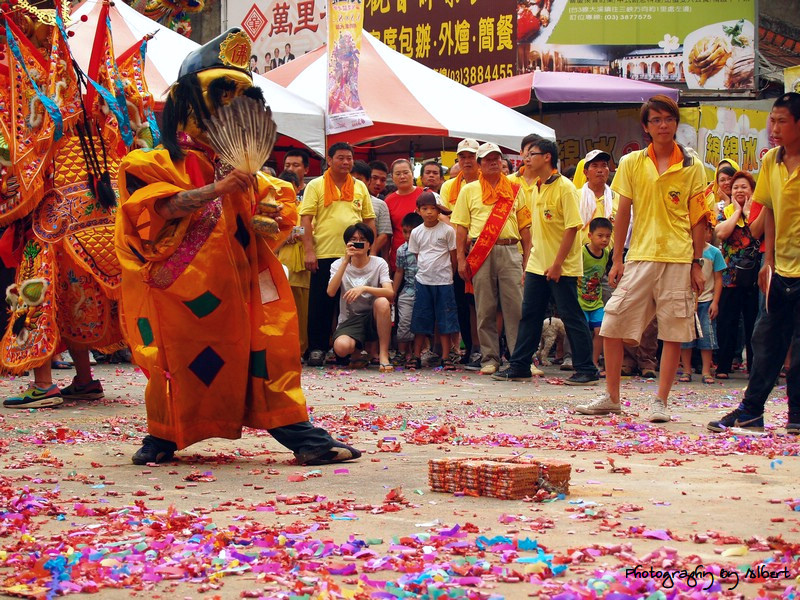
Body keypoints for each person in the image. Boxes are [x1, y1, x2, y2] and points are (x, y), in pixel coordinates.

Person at [112, 28, 360, 465]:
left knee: (267, 351)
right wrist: (217, 189)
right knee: (177, 362)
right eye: (222, 89)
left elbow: (271, 228)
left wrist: (267, 213)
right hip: (180, 296)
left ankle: (299, 434)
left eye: (241, 92)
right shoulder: (151, 162)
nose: (231, 101)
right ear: (187, 100)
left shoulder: (254, 176)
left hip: (243, 289)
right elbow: (155, 210)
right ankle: (163, 437)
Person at [576, 95, 711, 422]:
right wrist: (618, 258)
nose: (663, 125)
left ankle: (660, 402)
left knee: (674, 330)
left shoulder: (692, 165)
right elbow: (622, 212)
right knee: (612, 322)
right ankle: (611, 396)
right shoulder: (633, 162)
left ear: (676, 123)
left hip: (678, 257)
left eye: (668, 119)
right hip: (640, 255)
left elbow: (699, 218)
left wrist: (696, 261)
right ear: (646, 126)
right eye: (656, 120)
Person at [708, 93, 800, 435]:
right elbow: (770, 212)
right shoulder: (772, 161)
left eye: (781, 121)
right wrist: (769, 258)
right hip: (779, 269)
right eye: (771, 120)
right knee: (765, 341)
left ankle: (796, 416)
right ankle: (751, 412)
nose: (773, 128)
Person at [492, 137, 598, 386]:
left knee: (571, 316)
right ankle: (520, 365)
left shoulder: (565, 187)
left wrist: (559, 263)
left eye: (532, 154)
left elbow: (573, 228)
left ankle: (586, 368)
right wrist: (529, 265)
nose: (526, 159)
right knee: (529, 314)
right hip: (537, 264)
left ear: (547, 157)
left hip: (562, 266)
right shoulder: (537, 187)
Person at [451, 142, 532, 375]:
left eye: (497, 158)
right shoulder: (469, 190)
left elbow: (526, 228)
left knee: (515, 307)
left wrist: (527, 259)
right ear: (479, 164)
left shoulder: (516, 188)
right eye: (487, 159)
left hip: (510, 250)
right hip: (481, 251)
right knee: (485, 307)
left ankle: (519, 359)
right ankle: (489, 358)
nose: (493, 162)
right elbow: (461, 228)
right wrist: (461, 258)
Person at [299, 142, 376, 367]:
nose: (346, 162)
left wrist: (372, 251)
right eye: (341, 158)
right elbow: (305, 220)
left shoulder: (360, 187)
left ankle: (349, 350)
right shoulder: (316, 185)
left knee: (352, 303)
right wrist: (309, 251)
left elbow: (368, 219)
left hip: (355, 255)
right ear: (329, 160)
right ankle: (317, 348)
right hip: (324, 252)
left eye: (349, 158)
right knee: (320, 303)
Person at [713, 170, 764, 379]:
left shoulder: (758, 212)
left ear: (752, 190)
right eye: (736, 187)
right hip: (730, 276)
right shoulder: (724, 211)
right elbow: (722, 233)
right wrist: (736, 211)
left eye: (744, 187)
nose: (739, 190)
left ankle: (754, 365)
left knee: (754, 322)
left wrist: (748, 212)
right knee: (727, 321)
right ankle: (724, 365)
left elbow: (755, 233)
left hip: (753, 276)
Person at [328, 223, 394, 372]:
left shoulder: (379, 263)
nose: (358, 243)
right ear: (347, 244)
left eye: (362, 239)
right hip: (350, 319)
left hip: (373, 316)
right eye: (354, 239)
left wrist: (364, 288)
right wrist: (346, 261)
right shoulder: (338, 264)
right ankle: (358, 355)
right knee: (341, 347)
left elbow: (390, 293)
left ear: (369, 244)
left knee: (383, 302)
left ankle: (383, 354)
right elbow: (331, 292)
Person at [441, 139, 481, 366]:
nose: (467, 161)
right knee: (463, 302)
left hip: (483, 248)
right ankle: (471, 348)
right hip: (459, 251)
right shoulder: (449, 187)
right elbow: (445, 216)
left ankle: (487, 348)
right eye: (462, 157)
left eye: (471, 156)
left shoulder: (487, 183)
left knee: (483, 303)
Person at [408, 191, 458, 370]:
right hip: (423, 281)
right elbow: (416, 254)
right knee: (420, 319)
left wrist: (449, 274)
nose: (429, 212)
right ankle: (416, 355)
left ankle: (446, 357)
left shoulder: (448, 231)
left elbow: (453, 256)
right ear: (418, 211)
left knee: (445, 319)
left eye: (433, 209)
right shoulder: (416, 232)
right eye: (424, 208)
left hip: (444, 281)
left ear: (439, 211)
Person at [679, 221, 726, 384]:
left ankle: (706, 370)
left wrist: (715, 302)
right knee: (686, 338)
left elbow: (719, 279)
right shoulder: (685, 252)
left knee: (707, 336)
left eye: (705, 230)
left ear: (709, 232)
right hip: (687, 300)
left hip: (706, 301)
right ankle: (686, 370)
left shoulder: (714, 252)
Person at [579, 217, 613, 371]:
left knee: (600, 331)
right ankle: (581, 361)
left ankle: (593, 362)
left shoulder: (606, 254)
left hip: (596, 301)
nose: (604, 240)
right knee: (583, 332)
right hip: (580, 301)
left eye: (608, 236)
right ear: (590, 235)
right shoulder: (582, 253)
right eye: (600, 236)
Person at [393, 212, 424, 367]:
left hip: (424, 290)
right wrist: (393, 292)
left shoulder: (426, 248)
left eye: (411, 231)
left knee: (420, 323)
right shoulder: (402, 250)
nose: (407, 235)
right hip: (408, 291)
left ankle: (416, 353)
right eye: (405, 231)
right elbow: (399, 271)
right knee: (404, 322)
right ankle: (402, 351)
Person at [385, 159, 424, 271]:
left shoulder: (426, 194)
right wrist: (386, 259)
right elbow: (388, 234)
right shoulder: (388, 201)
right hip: (399, 260)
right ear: (392, 177)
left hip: (425, 255)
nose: (402, 176)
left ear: (413, 174)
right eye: (398, 174)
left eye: (406, 172)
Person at [352, 160, 392, 260]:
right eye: (375, 178)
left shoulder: (380, 204)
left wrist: (371, 252)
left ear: (367, 180)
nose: (378, 183)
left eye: (382, 180)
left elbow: (384, 235)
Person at [579, 150, 618, 236]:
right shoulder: (575, 197)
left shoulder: (618, 198)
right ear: (586, 172)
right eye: (595, 166)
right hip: (579, 249)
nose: (600, 170)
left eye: (604, 165)